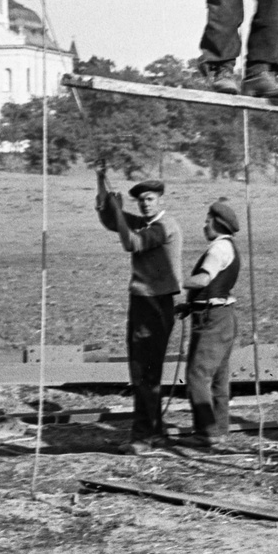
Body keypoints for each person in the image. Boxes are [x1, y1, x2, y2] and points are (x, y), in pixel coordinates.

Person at [95, 166, 183, 452]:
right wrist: (101, 181)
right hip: (144, 301)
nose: (145, 203)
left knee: (144, 372)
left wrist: (120, 213)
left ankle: (145, 436)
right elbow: (111, 220)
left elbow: (130, 243)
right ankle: (152, 432)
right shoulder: (146, 223)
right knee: (143, 372)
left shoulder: (162, 227)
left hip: (155, 304)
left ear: (160, 200)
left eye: (149, 199)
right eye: (141, 200)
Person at [179, 199, 241, 449]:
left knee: (197, 376)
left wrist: (177, 282)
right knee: (218, 378)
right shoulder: (229, 247)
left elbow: (204, 280)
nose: (204, 226)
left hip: (212, 321)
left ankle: (206, 433)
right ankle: (220, 430)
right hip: (223, 316)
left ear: (217, 223)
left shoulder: (217, 249)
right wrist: (189, 306)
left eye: (207, 221)